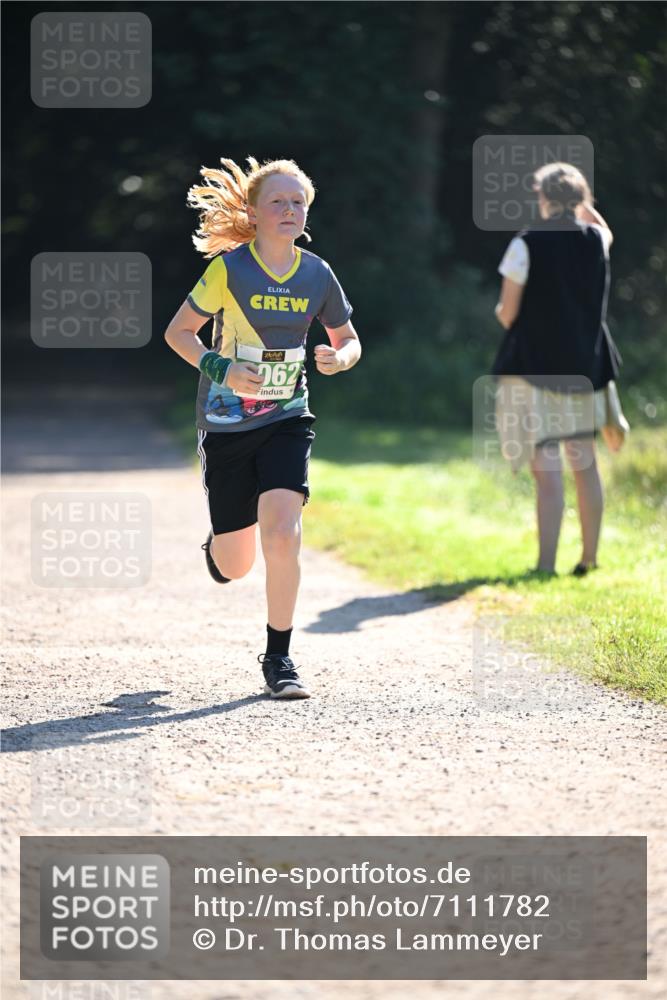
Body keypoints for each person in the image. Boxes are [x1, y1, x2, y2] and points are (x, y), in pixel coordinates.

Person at [164, 156, 361, 698]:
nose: (290, 209)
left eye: (298, 202)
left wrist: (340, 359)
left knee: (282, 532)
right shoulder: (229, 269)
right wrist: (221, 367)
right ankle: (219, 548)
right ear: (252, 212)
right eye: (278, 201)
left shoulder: (317, 273)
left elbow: (349, 338)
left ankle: (280, 659)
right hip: (226, 422)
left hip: (287, 417)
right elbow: (179, 333)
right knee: (236, 565)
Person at [491, 161, 629, 576]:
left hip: (536, 371)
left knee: (547, 471)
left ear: (542, 197)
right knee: (585, 465)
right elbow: (604, 228)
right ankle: (589, 559)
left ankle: (545, 565)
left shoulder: (525, 244)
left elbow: (508, 314)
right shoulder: (597, 241)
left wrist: (502, 310)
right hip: (585, 368)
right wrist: (583, 204)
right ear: (581, 199)